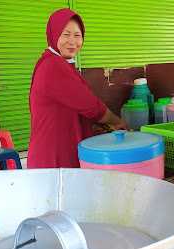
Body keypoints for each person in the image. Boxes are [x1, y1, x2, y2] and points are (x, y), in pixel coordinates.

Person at [27, 8, 127, 169]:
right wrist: (116, 121)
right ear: (53, 35)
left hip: (57, 150)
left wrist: (101, 125)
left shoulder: (57, 62)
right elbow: (90, 106)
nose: (72, 41)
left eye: (77, 35)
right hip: (53, 157)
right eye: (66, 35)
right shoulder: (53, 66)